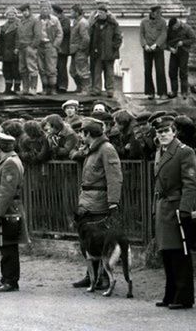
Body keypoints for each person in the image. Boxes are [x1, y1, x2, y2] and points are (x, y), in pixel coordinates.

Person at [151, 113, 196, 310]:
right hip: (163, 207)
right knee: (167, 254)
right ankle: (170, 294)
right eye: (159, 132)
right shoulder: (160, 151)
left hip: (177, 207)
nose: (162, 135)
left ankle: (184, 297)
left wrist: (185, 209)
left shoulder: (184, 152)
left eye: (166, 131)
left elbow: (191, 183)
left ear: (174, 132)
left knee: (180, 253)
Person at [72, 118, 123, 289]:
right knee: (87, 241)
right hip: (87, 201)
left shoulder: (106, 149)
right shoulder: (93, 149)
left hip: (98, 202)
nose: (80, 135)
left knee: (99, 241)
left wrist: (113, 203)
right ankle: (91, 276)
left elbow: (114, 178)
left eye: (82, 132)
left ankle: (104, 278)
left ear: (88, 133)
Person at [0, 132, 30, 293]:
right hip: (7, 208)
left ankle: (11, 280)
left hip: (8, 210)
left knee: (9, 246)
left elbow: (6, 191)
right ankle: (6, 278)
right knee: (5, 246)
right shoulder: (9, 161)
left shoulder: (10, 163)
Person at [89, 8, 122, 97]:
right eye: (98, 12)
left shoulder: (113, 24)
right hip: (97, 53)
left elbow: (118, 37)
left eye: (101, 12)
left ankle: (110, 90)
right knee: (97, 72)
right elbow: (91, 37)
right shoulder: (95, 24)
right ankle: (96, 89)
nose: (99, 14)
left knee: (109, 72)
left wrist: (113, 47)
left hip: (109, 53)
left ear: (106, 13)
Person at [166, 6, 196, 99]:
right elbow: (165, 42)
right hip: (174, 52)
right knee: (172, 71)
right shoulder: (170, 29)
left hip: (184, 52)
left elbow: (194, 39)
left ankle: (184, 92)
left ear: (177, 24)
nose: (173, 29)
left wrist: (183, 42)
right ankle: (174, 92)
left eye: (174, 27)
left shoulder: (187, 28)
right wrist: (170, 48)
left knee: (183, 72)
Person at [140, 5, 168, 100]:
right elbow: (141, 34)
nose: (159, 15)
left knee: (160, 70)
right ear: (152, 12)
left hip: (158, 49)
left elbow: (163, 34)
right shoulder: (144, 22)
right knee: (147, 71)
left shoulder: (163, 22)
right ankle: (150, 92)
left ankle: (162, 92)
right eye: (157, 12)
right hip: (147, 49)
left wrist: (156, 45)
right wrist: (145, 45)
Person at [36, 0, 63, 95]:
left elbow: (60, 33)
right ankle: (45, 88)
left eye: (46, 8)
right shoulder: (36, 20)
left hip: (50, 45)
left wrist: (55, 45)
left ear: (50, 9)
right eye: (42, 8)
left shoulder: (54, 20)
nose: (44, 10)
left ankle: (53, 88)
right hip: (39, 46)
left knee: (51, 68)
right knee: (41, 68)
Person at [17, 3, 42, 95]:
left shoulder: (35, 21)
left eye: (25, 11)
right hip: (21, 48)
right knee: (22, 69)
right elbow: (18, 35)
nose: (24, 13)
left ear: (29, 10)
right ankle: (25, 89)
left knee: (32, 68)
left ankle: (33, 88)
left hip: (30, 47)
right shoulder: (21, 22)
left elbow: (38, 35)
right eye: (22, 11)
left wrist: (32, 46)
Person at [0, 7, 21, 95]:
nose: (11, 17)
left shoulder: (19, 25)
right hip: (5, 53)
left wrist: (17, 48)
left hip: (15, 52)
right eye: (9, 15)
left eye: (13, 15)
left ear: (16, 15)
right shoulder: (4, 27)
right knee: (6, 70)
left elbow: (19, 39)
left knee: (16, 70)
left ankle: (17, 88)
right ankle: (8, 88)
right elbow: (1, 41)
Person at [69, 4, 91, 94]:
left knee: (83, 71)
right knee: (73, 71)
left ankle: (85, 90)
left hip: (80, 51)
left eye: (72, 11)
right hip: (74, 50)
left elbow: (86, 38)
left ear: (77, 12)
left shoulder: (82, 23)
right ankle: (79, 87)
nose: (70, 13)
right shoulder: (75, 22)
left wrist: (81, 48)